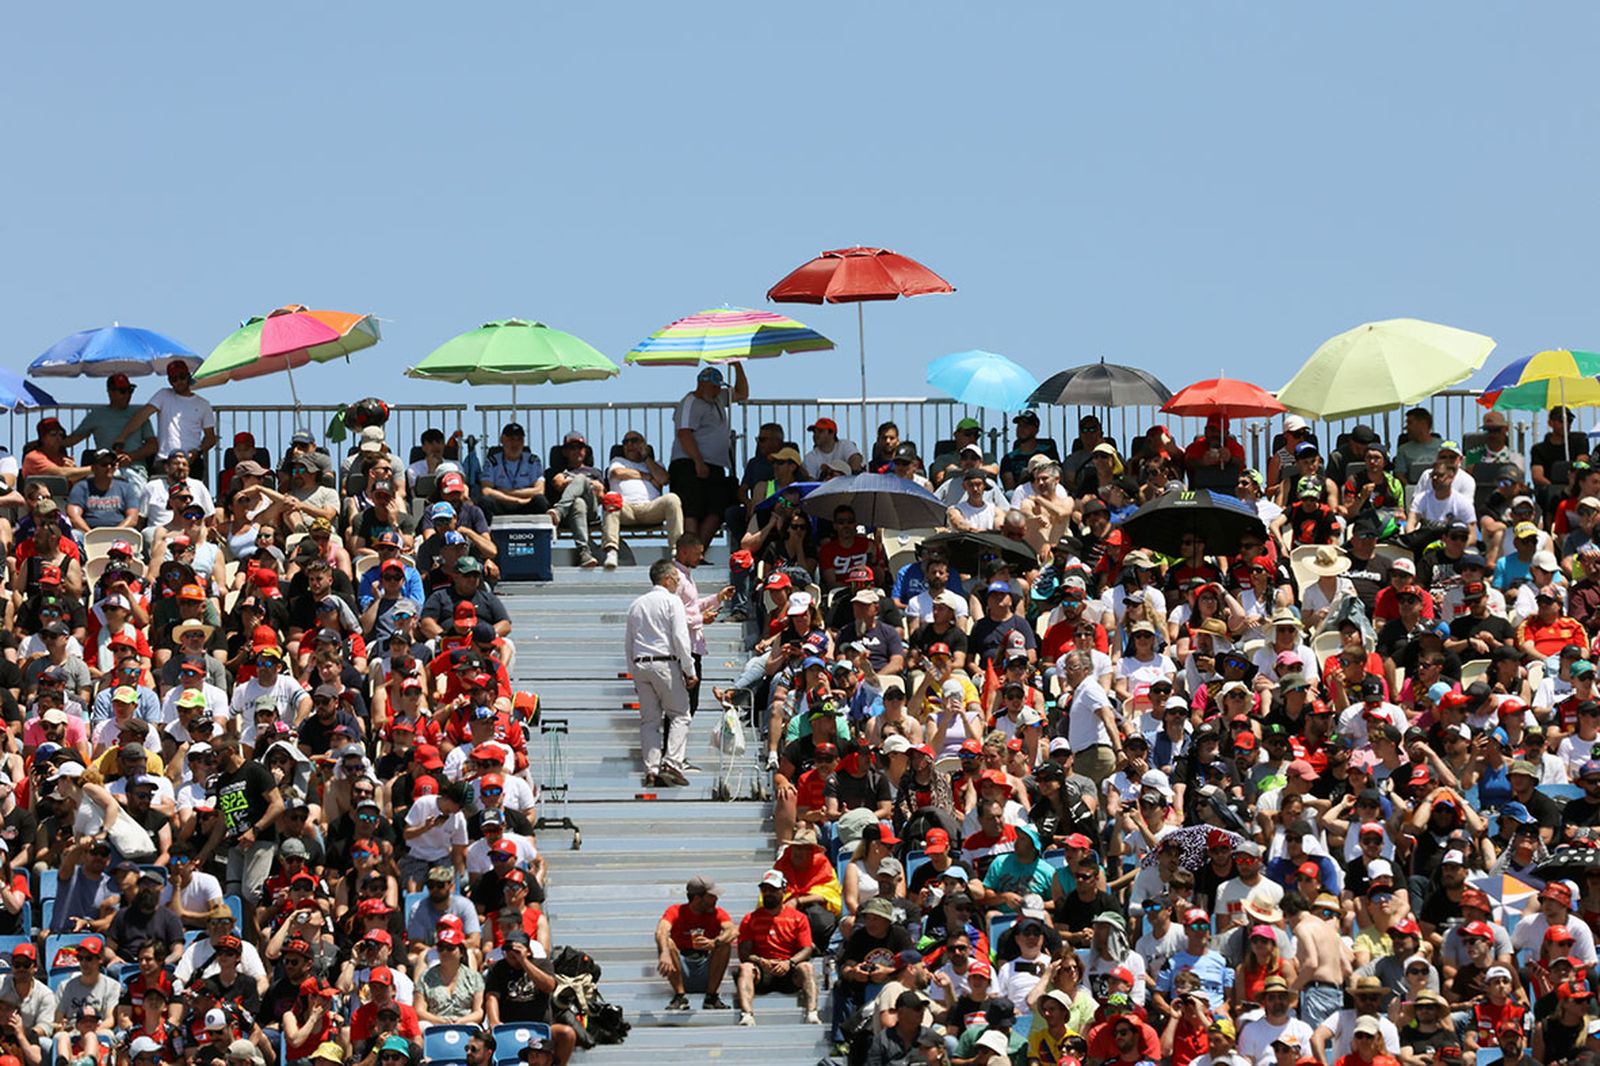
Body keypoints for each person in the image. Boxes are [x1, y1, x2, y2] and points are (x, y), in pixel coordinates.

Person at [624, 559, 696, 787]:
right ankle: (672, 763)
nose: (678, 583)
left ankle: (651, 769)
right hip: (665, 662)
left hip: (641, 664)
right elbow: (680, 638)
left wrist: (633, 673)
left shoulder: (636, 604)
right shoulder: (672, 601)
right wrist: (689, 669)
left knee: (649, 721)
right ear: (667, 579)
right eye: (676, 578)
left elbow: (628, 643)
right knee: (680, 713)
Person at [670, 364, 749, 544]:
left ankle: (699, 551)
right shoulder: (690, 402)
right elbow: (684, 433)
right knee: (691, 508)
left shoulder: (718, 398)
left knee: (718, 507)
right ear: (701, 384)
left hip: (715, 465)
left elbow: (742, 393)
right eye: (713, 386)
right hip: (689, 463)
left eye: (719, 386)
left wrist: (737, 365)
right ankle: (691, 550)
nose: (717, 390)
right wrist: (698, 461)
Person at [734, 869, 819, 1028]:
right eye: (765, 890)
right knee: (745, 968)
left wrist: (789, 962)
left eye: (773, 890)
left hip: (788, 970)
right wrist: (760, 961)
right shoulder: (750, 918)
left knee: (807, 967)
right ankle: (747, 1014)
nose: (768, 894)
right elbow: (744, 952)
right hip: (762, 970)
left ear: (784, 891)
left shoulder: (798, 918)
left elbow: (806, 949)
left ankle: (812, 1013)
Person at [110, 360, 217, 475]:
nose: (179, 381)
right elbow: (142, 415)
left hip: (191, 462)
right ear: (169, 381)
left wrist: (197, 452)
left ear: (188, 376)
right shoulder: (163, 395)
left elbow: (210, 438)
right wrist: (122, 437)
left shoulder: (203, 404)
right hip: (164, 460)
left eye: (182, 377)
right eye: (174, 379)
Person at [603, 430, 685, 568]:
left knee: (672, 499)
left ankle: (676, 551)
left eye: (634, 441)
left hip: (650, 508)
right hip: (625, 509)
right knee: (611, 498)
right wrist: (647, 477)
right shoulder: (618, 461)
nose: (629, 444)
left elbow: (663, 479)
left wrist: (647, 458)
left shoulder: (655, 464)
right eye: (625, 442)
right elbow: (618, 473)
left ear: (643, 445)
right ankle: (611, 551)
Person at [656, 875, 735, 1012]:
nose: (716, 899)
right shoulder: (676, 911)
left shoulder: (717, 913)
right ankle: (680, 996)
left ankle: (711, 997)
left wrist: (715, 942)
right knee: (667, 942)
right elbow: (661, 930)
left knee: (724, 944)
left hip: (706, 967)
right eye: (712, 896)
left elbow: (732, 931)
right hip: (682, 967)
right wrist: (664, 952)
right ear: (698, 898)